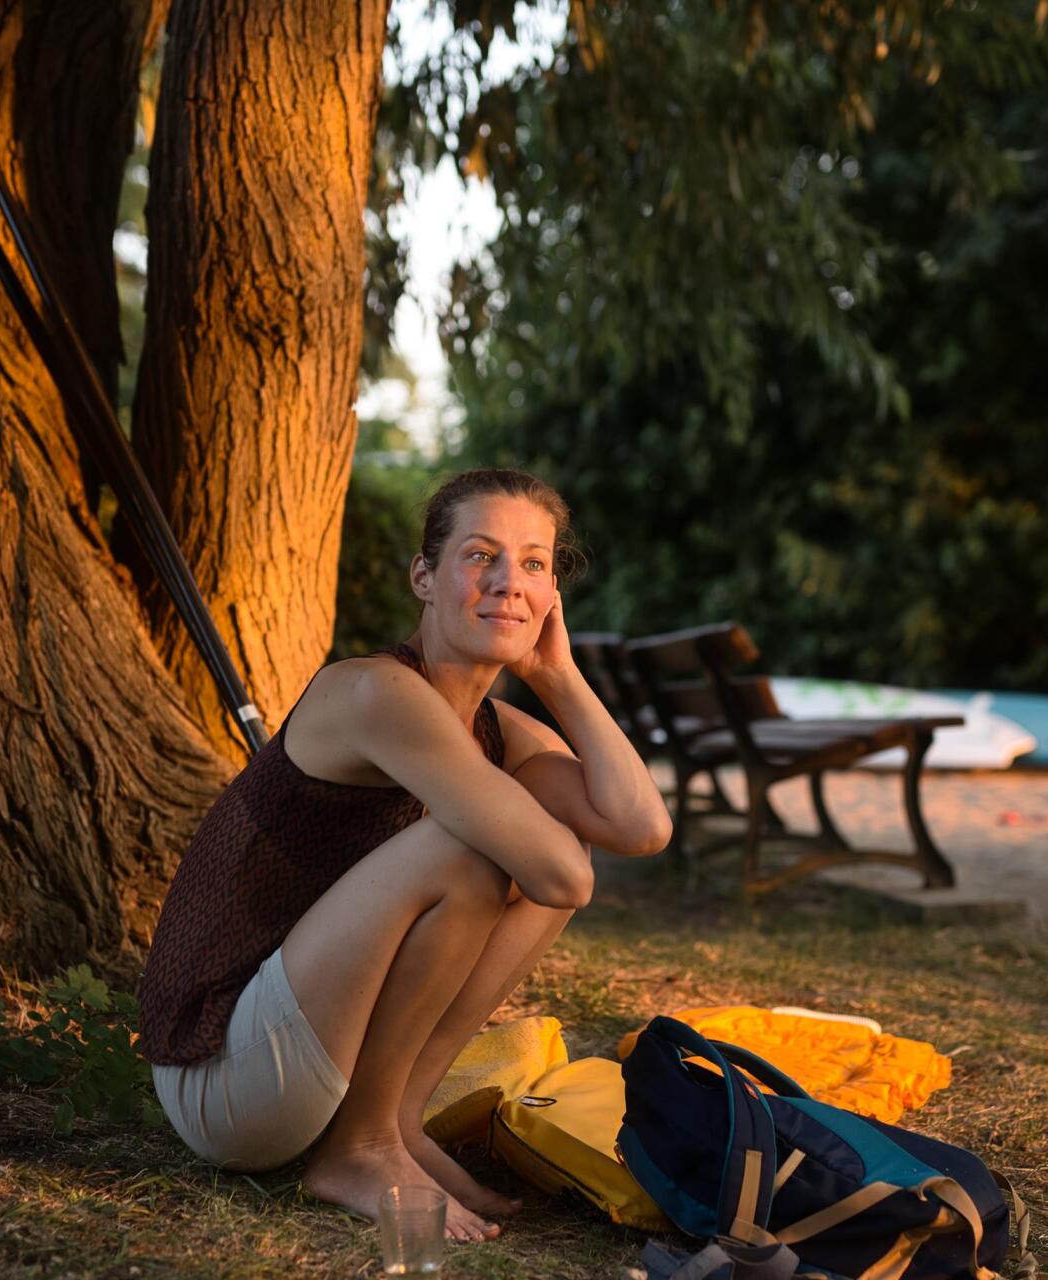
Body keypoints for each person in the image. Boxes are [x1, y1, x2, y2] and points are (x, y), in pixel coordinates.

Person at [136, 468, 672, 1242]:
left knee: (520, 842)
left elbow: (641, 827)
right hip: (220, 1073)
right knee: (475, 851)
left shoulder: (498, 732)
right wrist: (535, 832)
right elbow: (564, 875)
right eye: (479, 556)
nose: (507, 583)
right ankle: (358, 1148)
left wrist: (556, 674)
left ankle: (396, 1125)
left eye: (532, 565)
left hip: (301, 1048)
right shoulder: (374, 694)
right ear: (424, 576)